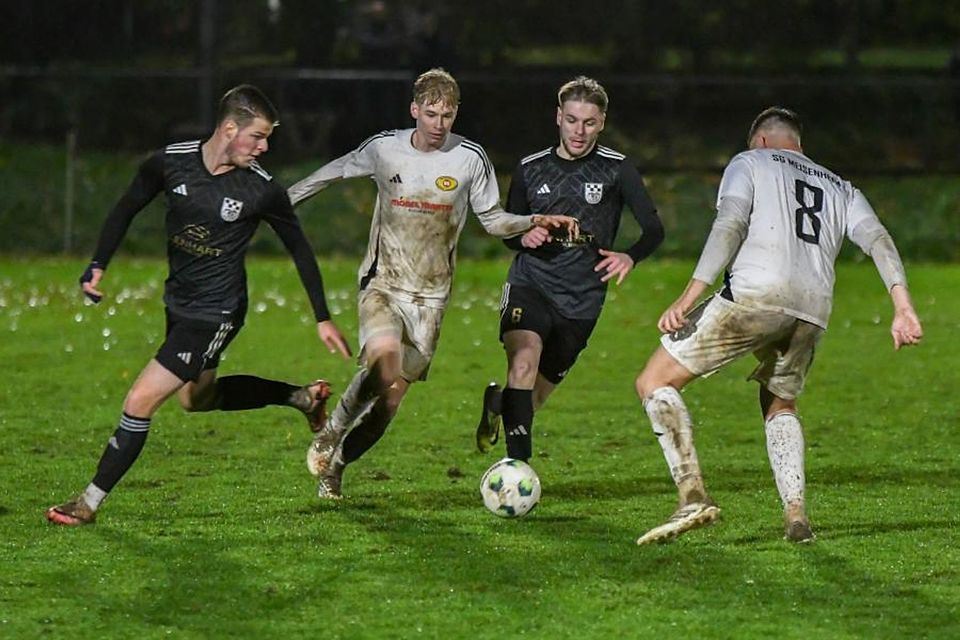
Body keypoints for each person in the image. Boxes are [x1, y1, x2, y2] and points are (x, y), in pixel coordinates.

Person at [46, 85, 352, 526]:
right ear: (229, 129)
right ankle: (300, 397)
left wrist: (322, 316)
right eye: (258, 136)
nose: (264, 148)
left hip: (217, 312)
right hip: (179, 303)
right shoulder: (170, 162)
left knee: (140, 399)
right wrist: (98, 265)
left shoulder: (262, 189)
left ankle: (88, 503)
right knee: (197, 399)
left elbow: (299, 248)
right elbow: (127, 207)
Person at [632, 107, 923, 545]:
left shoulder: (750, 161)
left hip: (756, 295)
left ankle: (692, 496)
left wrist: (688, 296)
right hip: (812, 308)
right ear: (798, 144)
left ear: (763, 140)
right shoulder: (839, 185)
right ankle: (796, 515)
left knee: (654, 381)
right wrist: (903, 306)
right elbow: (878, 239)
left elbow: (730, 224)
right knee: (780, 402)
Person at [287, 68, 578, 499]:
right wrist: (276, 205)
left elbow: (493, 220)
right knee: (384, 361)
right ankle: (331, 430)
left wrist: (533, 220)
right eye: (431, 114)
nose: (439, 124)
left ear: (456, 113)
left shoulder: (469, 158)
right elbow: (328, 174)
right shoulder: (384, 148)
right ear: (414, 110)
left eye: (447, 115)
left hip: (430, 300)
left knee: (389, 403)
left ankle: (337, 468)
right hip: (383, 284)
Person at [473, 76, 664, 462]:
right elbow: (510, 231)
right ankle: (517, 468)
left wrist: (629, 256)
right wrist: (523, 237)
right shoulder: (530, 168)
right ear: (558, 117)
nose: (579, 131)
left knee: (533, 398)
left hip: (582, 298)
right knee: (523, 361)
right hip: (531, 283)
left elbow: (654, 229)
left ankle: (500, 408)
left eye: (589, 122)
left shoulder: (617, 169)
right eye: (572, 120)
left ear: (602, 122)